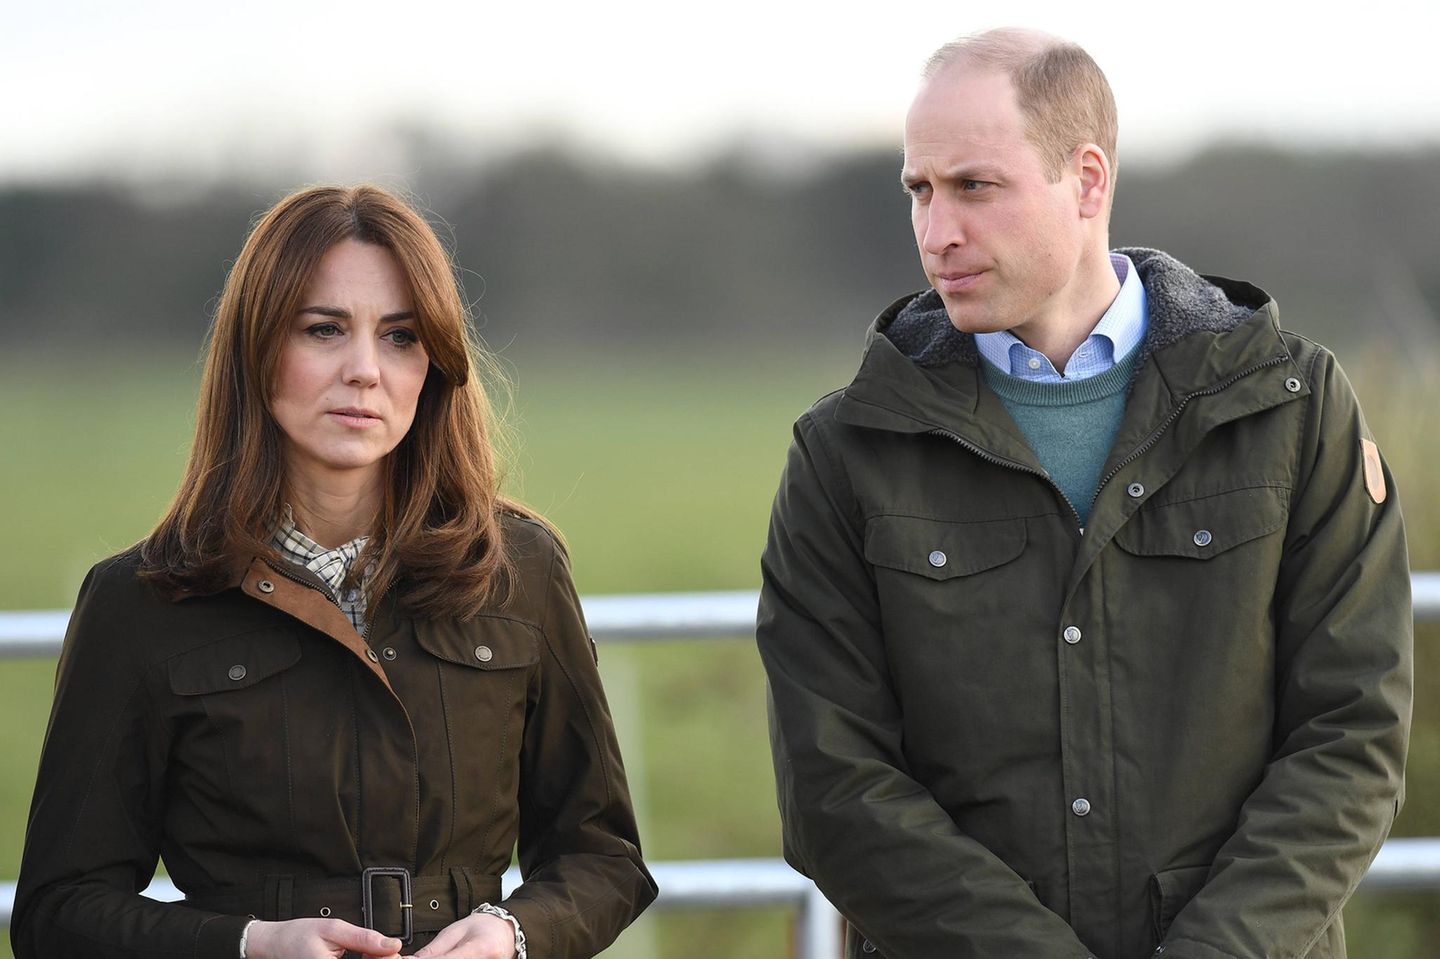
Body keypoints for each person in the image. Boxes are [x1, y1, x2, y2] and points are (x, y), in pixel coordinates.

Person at [756, 28, 1411, 959]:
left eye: (974, 186)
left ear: (1089, 180)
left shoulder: (1293, 409)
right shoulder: (845, 450)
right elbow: (835, 786)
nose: (937, 231)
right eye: (920, 190)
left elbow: (1351, 734)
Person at [13, 185, 656, 959]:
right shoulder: (142, 600)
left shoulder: (518, 569)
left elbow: (604, 858)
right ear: (256, 348)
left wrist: (513, 935)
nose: (364, 371)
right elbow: (58, 911)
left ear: (436, 365)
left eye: (400, 336)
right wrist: (248, 945)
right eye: (324, 329)